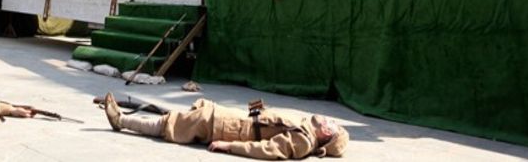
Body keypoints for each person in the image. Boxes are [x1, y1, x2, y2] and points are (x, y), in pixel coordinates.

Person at [102, 93, 348, 159]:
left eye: (332, 125)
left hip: (228, 129)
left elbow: (268, 150)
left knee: (169, 124)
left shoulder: (303, 141)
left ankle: (120, 120)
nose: (329, 120)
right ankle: (125, 118)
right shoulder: (304, 127)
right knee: (181, 117)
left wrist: (229, 146)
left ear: (326, 135)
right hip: (232, 119)